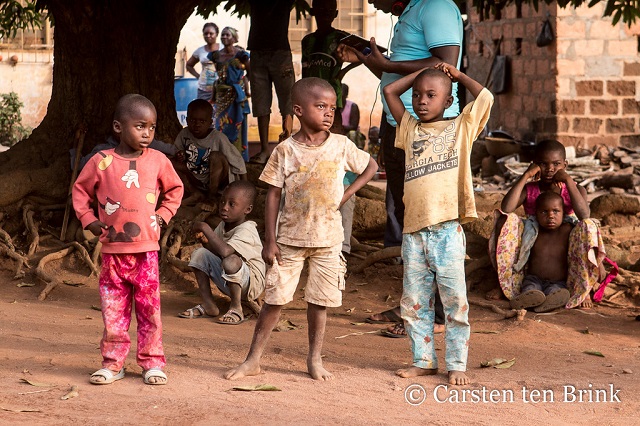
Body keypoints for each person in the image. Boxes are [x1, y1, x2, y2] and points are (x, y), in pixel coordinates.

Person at [225, 77, 378, 381]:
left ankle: (314, 358)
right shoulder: (285, 151)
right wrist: (269, 240)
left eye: (332, 107)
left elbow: (370, 166)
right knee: (274, 300)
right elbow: (273, 194)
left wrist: (348, 193)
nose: (329, 113)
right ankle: (253, 359)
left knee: (319, 302)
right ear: (298, 109)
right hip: (289, 240)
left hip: (329, 240)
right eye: (321, 106)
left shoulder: (341, 145)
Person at [338, 0, 463, 338]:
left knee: (429, 222)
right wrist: (372, 61)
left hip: (429, 132)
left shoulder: (435, 6)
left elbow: (445, 65)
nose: (375, 3)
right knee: (409, 222)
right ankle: (415, 303)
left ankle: (436, 315)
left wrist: (388, 62)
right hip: (401, 125)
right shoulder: (409, 11)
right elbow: (396, 73)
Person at [383, 63, 493, 385]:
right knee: (414, 302)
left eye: (431, 95)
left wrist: (456, 76)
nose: (421, 101)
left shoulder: (461, 128)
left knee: (455, 302)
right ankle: (424, 360)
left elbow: (485, 96)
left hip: (446, 231)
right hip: (413, 233)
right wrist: (423, 72)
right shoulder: (409, 129)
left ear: (448, 101)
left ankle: (456, 363)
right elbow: (390, 90)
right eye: (417, 95)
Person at [72, 94, 184, 385]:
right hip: (112, 252)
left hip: (146, 252)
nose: (147, 133)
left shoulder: (158, 161)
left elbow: (175, 189)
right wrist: (90, 220)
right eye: (139, 126)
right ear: (119, 127)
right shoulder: (101, 162)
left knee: (150, 310)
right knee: (113, 311)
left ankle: (152, 363)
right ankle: (112, 363)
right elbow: (80, 192)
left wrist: (162, 215)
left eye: (152, 127)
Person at [489, 139, 606, 309]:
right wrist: (526, 176)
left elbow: (584, 215)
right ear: (535, 165)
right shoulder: (531, 189)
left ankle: (583, 288)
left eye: (556, 164)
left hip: (564, 249)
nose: (550, 169)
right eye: (543, 164)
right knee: (505, 219)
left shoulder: (574, 189)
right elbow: (506, 207)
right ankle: (504, 284)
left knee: (588, 225)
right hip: (535, 247)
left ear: (565, 164)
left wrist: (567, 180)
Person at [178, 180, 266, 324]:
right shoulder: (223, 225)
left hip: (250, 285)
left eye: (232, 204)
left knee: (231, 260)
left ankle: (236, 308)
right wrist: (206, 242)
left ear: (247, 210)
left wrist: (205, 228)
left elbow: (225, 252)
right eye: (222, 202)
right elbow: (217, 251)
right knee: (199, 254)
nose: (224, 207)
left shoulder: (247, 229)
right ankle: (209, 305)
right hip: (230, 279)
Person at [247, 0, 295, 164]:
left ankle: (287, 146)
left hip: (280, 53)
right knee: (260, 102)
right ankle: (265, 149)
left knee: (287, 100)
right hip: (257, 52)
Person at [301, 0, 360, 134]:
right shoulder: (307, 40)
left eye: (330, 9)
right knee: (312, 133)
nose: (325, 12)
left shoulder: (341, 37)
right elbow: (305, 67)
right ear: (313, 12)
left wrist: (343, 71)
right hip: (310, 96)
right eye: (321, 8)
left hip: (332, 92)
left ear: (336, 13)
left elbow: (366, 53)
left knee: (333, 131)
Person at [173, 99, 247, 203]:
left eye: (202, 121)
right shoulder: (184, 133)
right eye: (193, 120)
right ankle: (195, 193)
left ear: (210, 122)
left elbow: (238, 161)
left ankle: (212, 196)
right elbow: (177, 149)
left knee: (215, 156)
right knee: (168, 162)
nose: (197, 124)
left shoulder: (218, 138)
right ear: (187, 120)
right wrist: (180, 154)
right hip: (196, 177)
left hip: (217, 181)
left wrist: (246, 190)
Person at [509, 191, 572, 313]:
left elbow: (584, 247)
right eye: (544, 212)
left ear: (563, 213)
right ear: (536, 214)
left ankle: (549, 302)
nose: (550, 216)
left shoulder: (568, 230)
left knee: (556, 291)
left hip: (558, 281)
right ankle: (528, 300)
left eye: (555, 211)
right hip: (534, 278)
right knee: (531, 289)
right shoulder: (532, 230)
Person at [210, 27, 251, 161]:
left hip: (237, 94)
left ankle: (238, 157)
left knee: (238, 126)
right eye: (222, 35)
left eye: (227, 35)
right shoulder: (216, 55)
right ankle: (222, 156)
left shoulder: (241, 54)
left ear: (234, 38)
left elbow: (250, 71)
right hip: (222, 95)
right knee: (220, 124)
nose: (224, 37)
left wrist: (242, 84)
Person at [186, 22, 220, 100]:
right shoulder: (200, 51)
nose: (208, 36)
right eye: (206, 33)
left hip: (220, 89)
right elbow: (189, 65)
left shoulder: (222, 48)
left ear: (216, 34)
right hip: (204, 90)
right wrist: (198, 76)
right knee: (203, 111)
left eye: (211, 33)